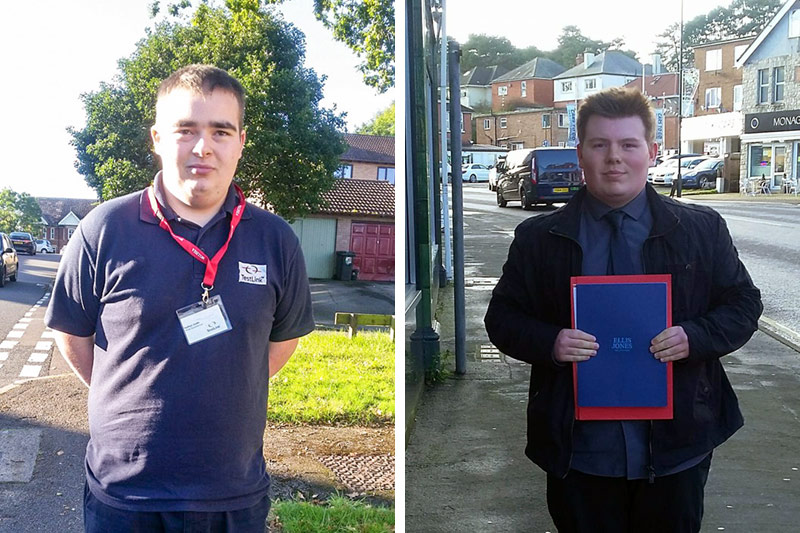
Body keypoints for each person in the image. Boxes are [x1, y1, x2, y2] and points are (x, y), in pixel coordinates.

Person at [45, 64, 314, 532]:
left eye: (220, 131)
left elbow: (279, 344)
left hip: (232, 495)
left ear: (241, 142)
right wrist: (126, 393)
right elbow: (72, 332)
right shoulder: (103, 230)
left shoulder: (276, 240)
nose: (203, 147)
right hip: (125, 495)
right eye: (185, 130)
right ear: (157, 138)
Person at [485, 87, 762, 533]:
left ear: (652, 152)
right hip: (580, 451)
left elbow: (744, 305)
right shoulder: (539, 239)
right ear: (581, 154)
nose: (614, 158)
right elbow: (501, 318)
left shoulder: (700, 229)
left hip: (676, 447)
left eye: (628, 145)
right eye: (600, 145)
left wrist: (695, 336)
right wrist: (551, 342)